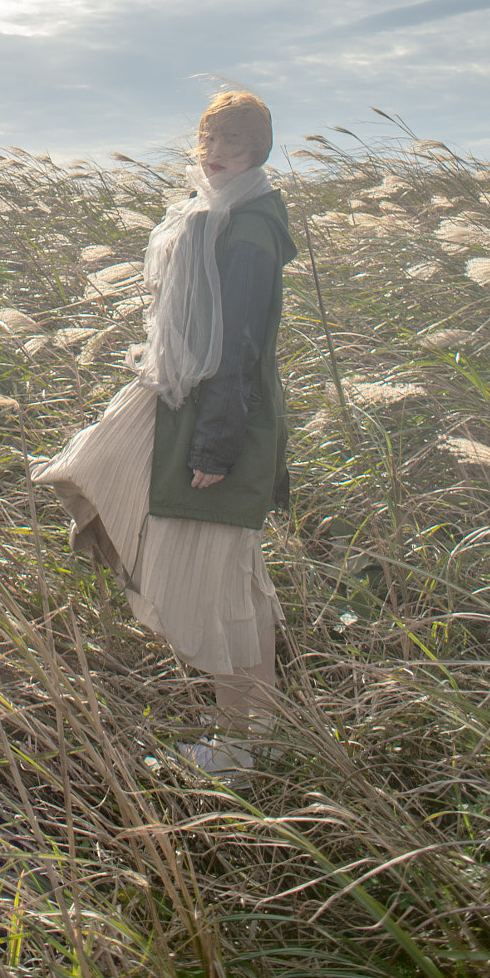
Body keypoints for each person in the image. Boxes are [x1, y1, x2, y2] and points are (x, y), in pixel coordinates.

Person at [31, 88, 296, 781]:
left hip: (221, 422)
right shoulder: (214, 214)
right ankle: (258, 737)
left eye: (231, 145)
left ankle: (239, 748)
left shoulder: (246, 230)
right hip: (192, 406)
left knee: (224, 589)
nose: (214, 155)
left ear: (255, 152)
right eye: (209, 140)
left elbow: (236, 350)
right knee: (236, 580)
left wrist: (214, 447)